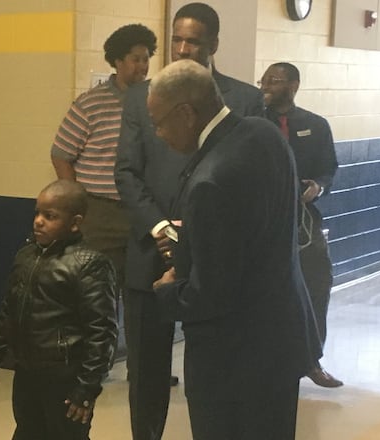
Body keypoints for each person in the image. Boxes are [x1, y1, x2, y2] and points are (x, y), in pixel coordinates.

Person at [114, 3, 263, 439]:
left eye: (192, 41)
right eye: (176, 39)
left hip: (215, 260)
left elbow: (244, 181)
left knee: (213, 367)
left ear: (213, 45)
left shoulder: (244, 100)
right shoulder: (142, 97)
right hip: (150, 253)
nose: (181, 48)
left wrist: (192, 236)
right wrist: (160, 228)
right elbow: (126, 170)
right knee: (145, 373)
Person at [150, 59, 318, 440]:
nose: (157, 134)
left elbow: (211, 294)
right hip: (281, 338)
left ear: (186, 113)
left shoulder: (212, 179)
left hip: (233, 359)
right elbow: (254, 236)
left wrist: (168, 290)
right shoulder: (264, 133)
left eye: (159, 121)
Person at [0, 180, 118, 440]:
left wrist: (87, 387)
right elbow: (8, 311)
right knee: (28, 431)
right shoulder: (26, 256)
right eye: (37, 213)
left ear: (74, 223)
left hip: (66, 375)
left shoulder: (90, 265)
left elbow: (102, 332)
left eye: (50, 216)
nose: (39, 221)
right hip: (28, 371)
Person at [50, 24, 157, 355]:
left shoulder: (157, 102)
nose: (142, 66)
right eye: (135, 59)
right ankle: (94, 360)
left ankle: (143, 364)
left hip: (142, 211)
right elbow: (61, 154)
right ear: (117, 62)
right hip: (99, 212)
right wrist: (76, 202)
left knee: (144, 293)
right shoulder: (90, 104)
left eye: (146, 58)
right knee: (97, 293)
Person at [260, 61, 343, 388]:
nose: (266, 84)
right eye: (264, 79)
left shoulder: (315, 125)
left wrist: (317, 188)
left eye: (275, 80)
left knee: (317, 282)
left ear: (294, 85)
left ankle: (311, 359)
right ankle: (267, 361)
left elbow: (329, 169)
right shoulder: (252, 123)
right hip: (264, 218)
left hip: (304, 220)